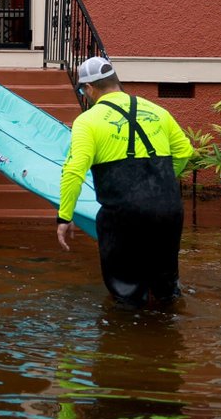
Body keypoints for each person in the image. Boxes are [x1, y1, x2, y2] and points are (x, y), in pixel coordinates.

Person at [57, 56, 194, 306]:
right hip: (169, 210)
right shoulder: (159, 111)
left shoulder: (87, 121)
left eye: (81, 90)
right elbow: (185, 152)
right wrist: (157, 184)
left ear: (89, 88)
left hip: (124, 214)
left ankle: (126, 341)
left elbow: (74, 170)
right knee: (166, 289)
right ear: (115, 83)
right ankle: (168, 336)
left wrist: (65, 216)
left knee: (126, 293)